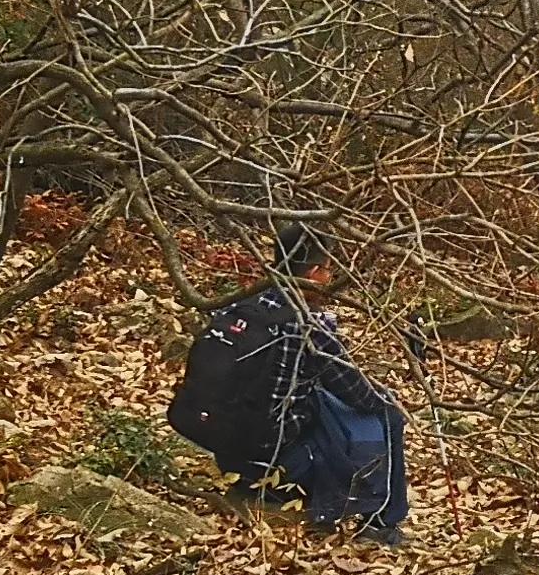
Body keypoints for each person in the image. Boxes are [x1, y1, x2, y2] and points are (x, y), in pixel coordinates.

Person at [167, 226, 403, 535]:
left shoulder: (239, 308)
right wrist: (390, 399)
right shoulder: (308, 326)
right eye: (328, 270)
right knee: (386, 415)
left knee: (314, 395)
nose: (329, 280)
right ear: (315, 271)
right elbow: (361, 395)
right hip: (282, 465)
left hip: (228, 455)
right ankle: (383, 522)